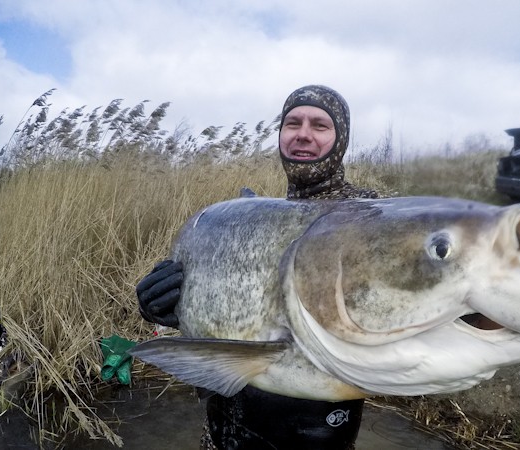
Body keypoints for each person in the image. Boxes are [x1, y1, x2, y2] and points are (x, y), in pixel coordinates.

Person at [136, 85, 378, 449]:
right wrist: (173, 305)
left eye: (320, 125)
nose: (303, 135)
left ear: (341, 137)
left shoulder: (371, 217)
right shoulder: (255, 219)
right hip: (223, 434)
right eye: (292, 123)